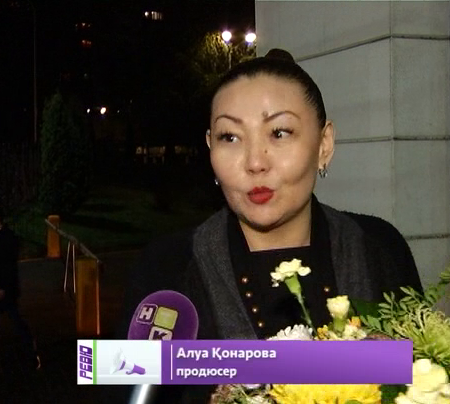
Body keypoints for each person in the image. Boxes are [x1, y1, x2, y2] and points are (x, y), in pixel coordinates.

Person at [119, 48, 422, 402]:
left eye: (279, 133)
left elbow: (424, 377)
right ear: (210, 147)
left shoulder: (379, 247)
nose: (254, 162)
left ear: (324, 145)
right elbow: (116, 378)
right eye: (230, 137)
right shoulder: (166, 268)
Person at [0, 207, 40, 372]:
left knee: (13, 319)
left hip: (6, 289)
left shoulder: (8, 238)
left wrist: (2, 287)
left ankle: (28, 345)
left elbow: (8, 266)